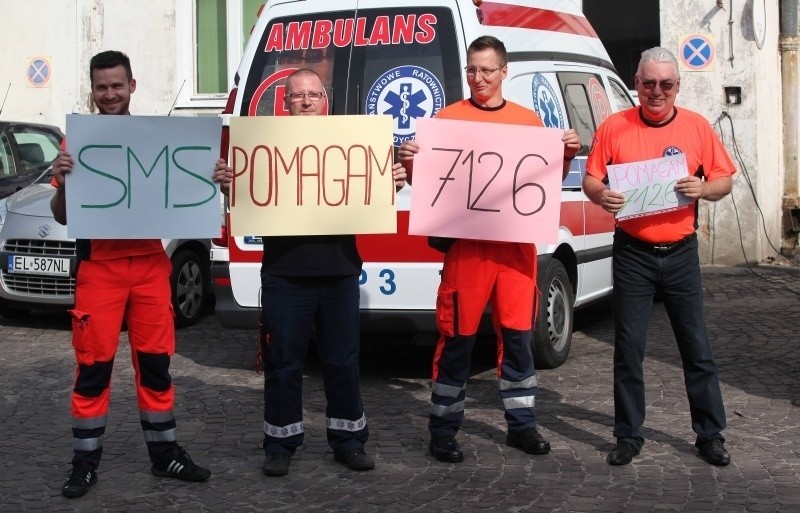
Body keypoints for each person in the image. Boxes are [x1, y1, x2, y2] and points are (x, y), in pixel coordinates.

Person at [213, 68, 408, 476]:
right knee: (283, 362)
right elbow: (248, 199)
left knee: (342, 360)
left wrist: (391, 179)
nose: (305, 101)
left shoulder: (352, 145)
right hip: (284, 274)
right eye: (297, 95)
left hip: (339, 273)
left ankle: (349, 440)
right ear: (285, 102)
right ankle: (280, 443)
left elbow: (371, 193)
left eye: (313, 95)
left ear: (325, 101)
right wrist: (232, 186)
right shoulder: (265, 146)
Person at [398, 36, 580, 463]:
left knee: (518, 341)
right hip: (467, 252)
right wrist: (410, 161)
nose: (478, 78)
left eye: (486, 70)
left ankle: (522, 426)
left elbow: (545, 181)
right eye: (471, 70)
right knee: (456, 340)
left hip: (515, 252)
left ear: (504, 72)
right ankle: (443, 430)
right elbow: (428, 185)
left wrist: (567, 153)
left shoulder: (528, 122)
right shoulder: (447, 119)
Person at [51, 50, 211, 499]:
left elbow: (187, 191)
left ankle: (165, 456)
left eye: (117, 86)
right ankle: (84, 463)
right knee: (93, 370)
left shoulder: (156, 138)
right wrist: (63, 184)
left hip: (148, 270)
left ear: (132, 86)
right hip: (97, 270)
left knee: (157, 366)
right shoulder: (76, 142)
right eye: (101, 87)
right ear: (92, 89)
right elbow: (63, 215)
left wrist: (212, 178)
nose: (109, 94)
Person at [583, 47, 734, 467]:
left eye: (665, 84)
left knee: (696, 348)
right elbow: (592, 177)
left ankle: (710, 435)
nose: (656, 91)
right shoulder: (615, 126)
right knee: (628, 349)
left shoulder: (697, 127)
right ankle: (629, 435)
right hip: (633, 252)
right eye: (648, 83)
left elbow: (724, 179)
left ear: (677, 87)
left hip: (681, 253)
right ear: (636, 83)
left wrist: (703, 190)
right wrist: (602, 195)